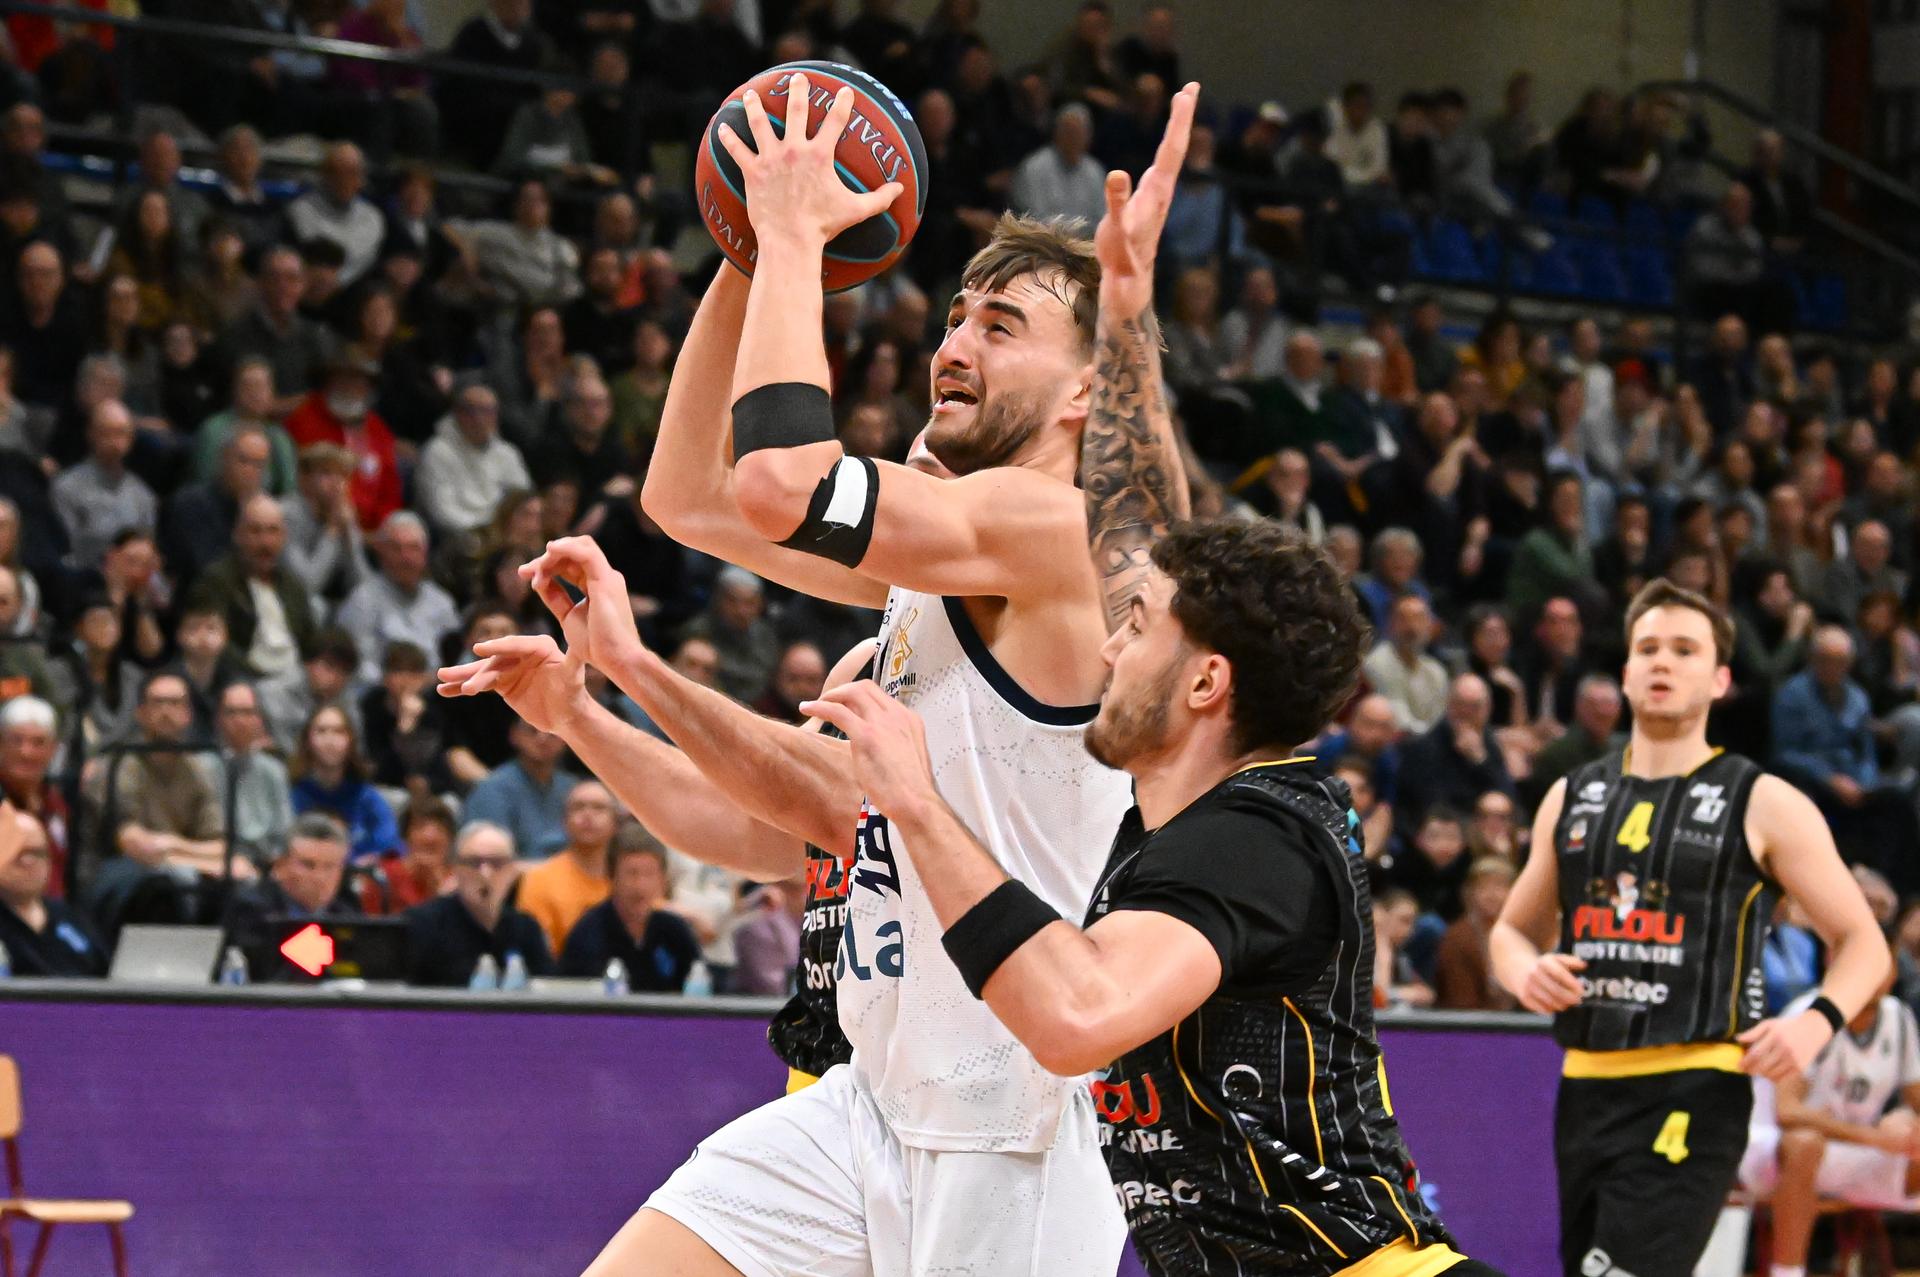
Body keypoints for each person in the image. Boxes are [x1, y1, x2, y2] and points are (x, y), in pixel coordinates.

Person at [447, 78, 1202, 1276]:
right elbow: (688, 492)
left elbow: (778, 481)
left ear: (1084, 393)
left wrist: (798, 232)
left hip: (1011, 1130)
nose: (954, 344)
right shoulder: (944, 548)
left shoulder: (1054, 532)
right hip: (869, 1096)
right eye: (956, 316)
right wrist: (749, 249)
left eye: (1002, 325)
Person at [807, 518, 1494, 1275]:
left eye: (1135, 626)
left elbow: (1076, 1015)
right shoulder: (1164, 834)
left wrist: (917, 799)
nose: (1108, 649)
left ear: (1206, 682)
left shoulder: (1256, 834)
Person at [1491, 578, 1891, 1277]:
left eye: (1683, 648)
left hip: (1694, 1086)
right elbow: (1509, 932)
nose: (1661, 661)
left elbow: (1864, 940)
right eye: (1647, 647)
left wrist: (1817, 1021)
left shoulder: (1764, 800)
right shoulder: (1573, 793)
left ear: (1721, 677)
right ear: (1624, 672)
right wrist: (1525, 969)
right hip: (1584, 1084)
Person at [1736, 976, 1920, 1277]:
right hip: (1772, 1156)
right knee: (1804, 1143)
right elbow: (1787, 1112)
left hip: (1847, 1154)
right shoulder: (1809, 1012)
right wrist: (1874, 1137)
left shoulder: (1898, 1016)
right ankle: (1787, 1272)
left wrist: (1906, 1125)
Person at [401, 820, 552, 987]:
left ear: (512, 870)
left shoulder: (526, 928)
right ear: (456, 868)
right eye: (474, 863)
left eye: (497, 863)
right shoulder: (421, 924)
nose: (485, 874)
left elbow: (548, 993)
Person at [558, 823, 703, 990]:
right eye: (631, 873)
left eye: (649, 874)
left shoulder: (675, 930)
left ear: (663, 880)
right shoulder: (588, 932)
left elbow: (700, 990)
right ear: (611, 876)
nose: (640, 885)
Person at [217, 811, 353, 980]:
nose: (319, 877)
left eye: (330, 867)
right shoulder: (251, 910)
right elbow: (256, 978)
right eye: (308, 865)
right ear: (281, 865)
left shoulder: (347, 916)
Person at [334, 511, 460, 685]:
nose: (405, 557)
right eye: (396, 548)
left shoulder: (442, 603)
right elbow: (358, 666)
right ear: (382, 553)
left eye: (413, 548)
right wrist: (400, 685)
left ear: (425, 554)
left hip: (435, 693)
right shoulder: (362, 601)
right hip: (379, 697)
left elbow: (454, 659)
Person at [0, 803, 106, 976]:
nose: (29, 863)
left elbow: (109, 973)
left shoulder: (67, 915)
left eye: (37, 853)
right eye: (18, 854)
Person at [515, 778, 616, 953]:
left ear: (616, 822)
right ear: (564, 821)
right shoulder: (539, 879)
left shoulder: (632, 876)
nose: (588, 815)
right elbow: (536, 950)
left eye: (599, 808)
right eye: (578, 807)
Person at [289, 705, 399, 862]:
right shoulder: (292, 796)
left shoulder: (367, 797)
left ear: (351, 741)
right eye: (321, 731)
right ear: (307, 741)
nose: (330, 740)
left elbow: (390, 844)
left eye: (338, 731)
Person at [462, 718, 580, 860]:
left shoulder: (574, 789)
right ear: (514, 735)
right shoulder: (492, 789)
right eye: (532, 730)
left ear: (565, 738)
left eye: (552, 732)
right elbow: (488, 858)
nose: (542, 738)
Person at [211, 679, 294, 870]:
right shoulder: (201, 767)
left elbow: (284, 831)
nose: (239, 720)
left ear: (259, 719)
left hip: (264, 863)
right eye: (231, 712)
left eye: (247, 712)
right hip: (214, 860)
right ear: (218, 719)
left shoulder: (274, 770)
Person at [1434, 857, 1518, 1011]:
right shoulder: (1457, 937)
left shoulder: (1521, 935)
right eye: (1483, 887)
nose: (1492, 895)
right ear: (1470, 893)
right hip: (1471, 1027)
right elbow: (1460, 1002)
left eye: (1500, 886)